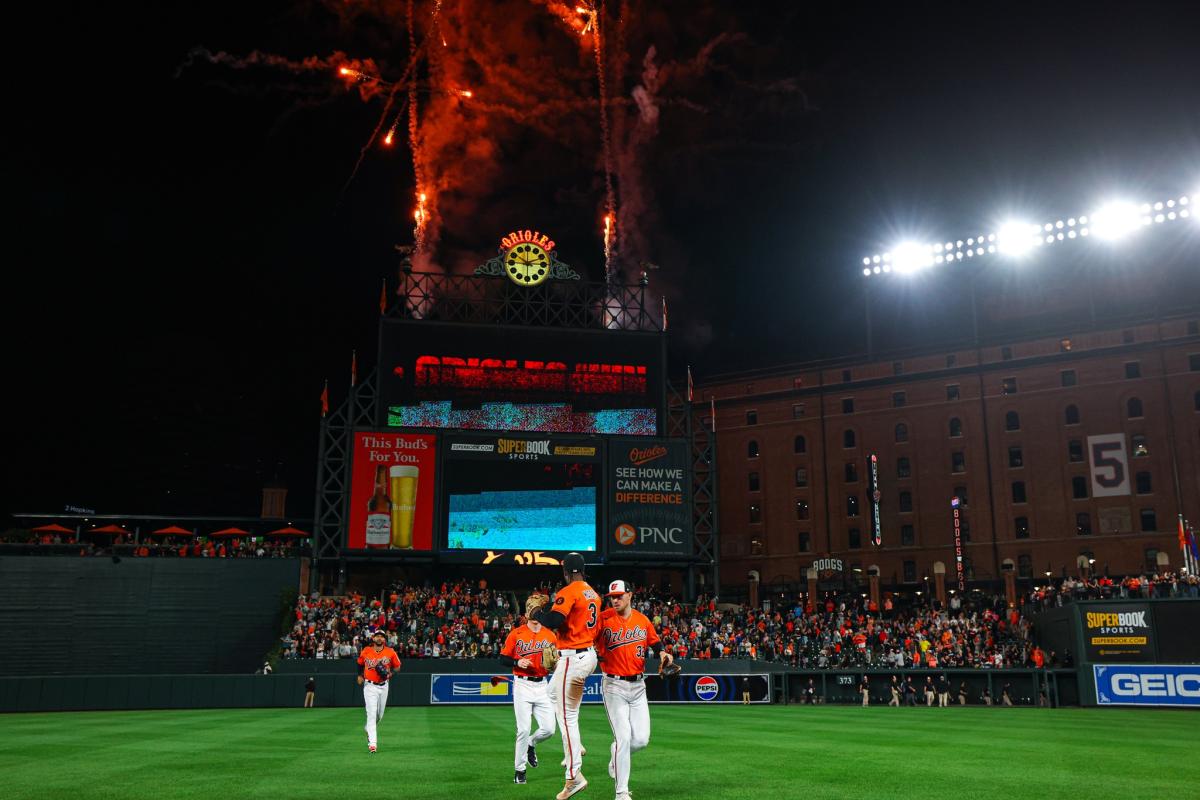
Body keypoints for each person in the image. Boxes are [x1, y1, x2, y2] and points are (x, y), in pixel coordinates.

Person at [530, 552, 601, 800]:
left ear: (565, 571)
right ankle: (577, 745)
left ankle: (574, 777)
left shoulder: (568, 591)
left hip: (573, 657)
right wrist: (548, 606)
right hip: (588, 655)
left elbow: (554, 621)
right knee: (551, 695)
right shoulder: (592, 592)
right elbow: (570, 615)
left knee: (567, 716)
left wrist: (536, 613)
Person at [595, 580, 674, 800]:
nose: (616, 599)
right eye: (612, 596)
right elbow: (587, 638)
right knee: (623, 738)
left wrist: (663, 654)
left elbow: (655, 642)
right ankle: (621, 793)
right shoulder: (603, 619)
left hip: (639, 686)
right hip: (613, 685)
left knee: (640, 740)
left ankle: (615, 755)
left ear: (630, 595)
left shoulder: (642, 619)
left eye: (620, 595)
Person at [501, 594, 560, 785]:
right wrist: (518, 661)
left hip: (542, 685)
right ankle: (520, 770)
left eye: (537, 609)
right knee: (523, 729)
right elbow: (502, 659)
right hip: (522, 684)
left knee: (549, 729)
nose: (534, 612)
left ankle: (531, 744)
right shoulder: (516, 633)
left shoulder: (550, 635)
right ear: (527, 613)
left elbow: (555, 662)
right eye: (531, 609)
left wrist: (554, 665)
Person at [357, 628, 401, 753]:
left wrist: (390, 673)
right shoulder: (366, 650)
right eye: (377, 636)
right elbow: (359, 663)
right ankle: (373, 744)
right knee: (371, 714)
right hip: (369, 686)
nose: (379, 638)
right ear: (373, 638)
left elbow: (398, 667)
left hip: (384, 685)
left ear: (384, 639)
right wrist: (359, 675)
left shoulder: (390, 652)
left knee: (379, 716)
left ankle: (368, 728)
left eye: (382, 636)